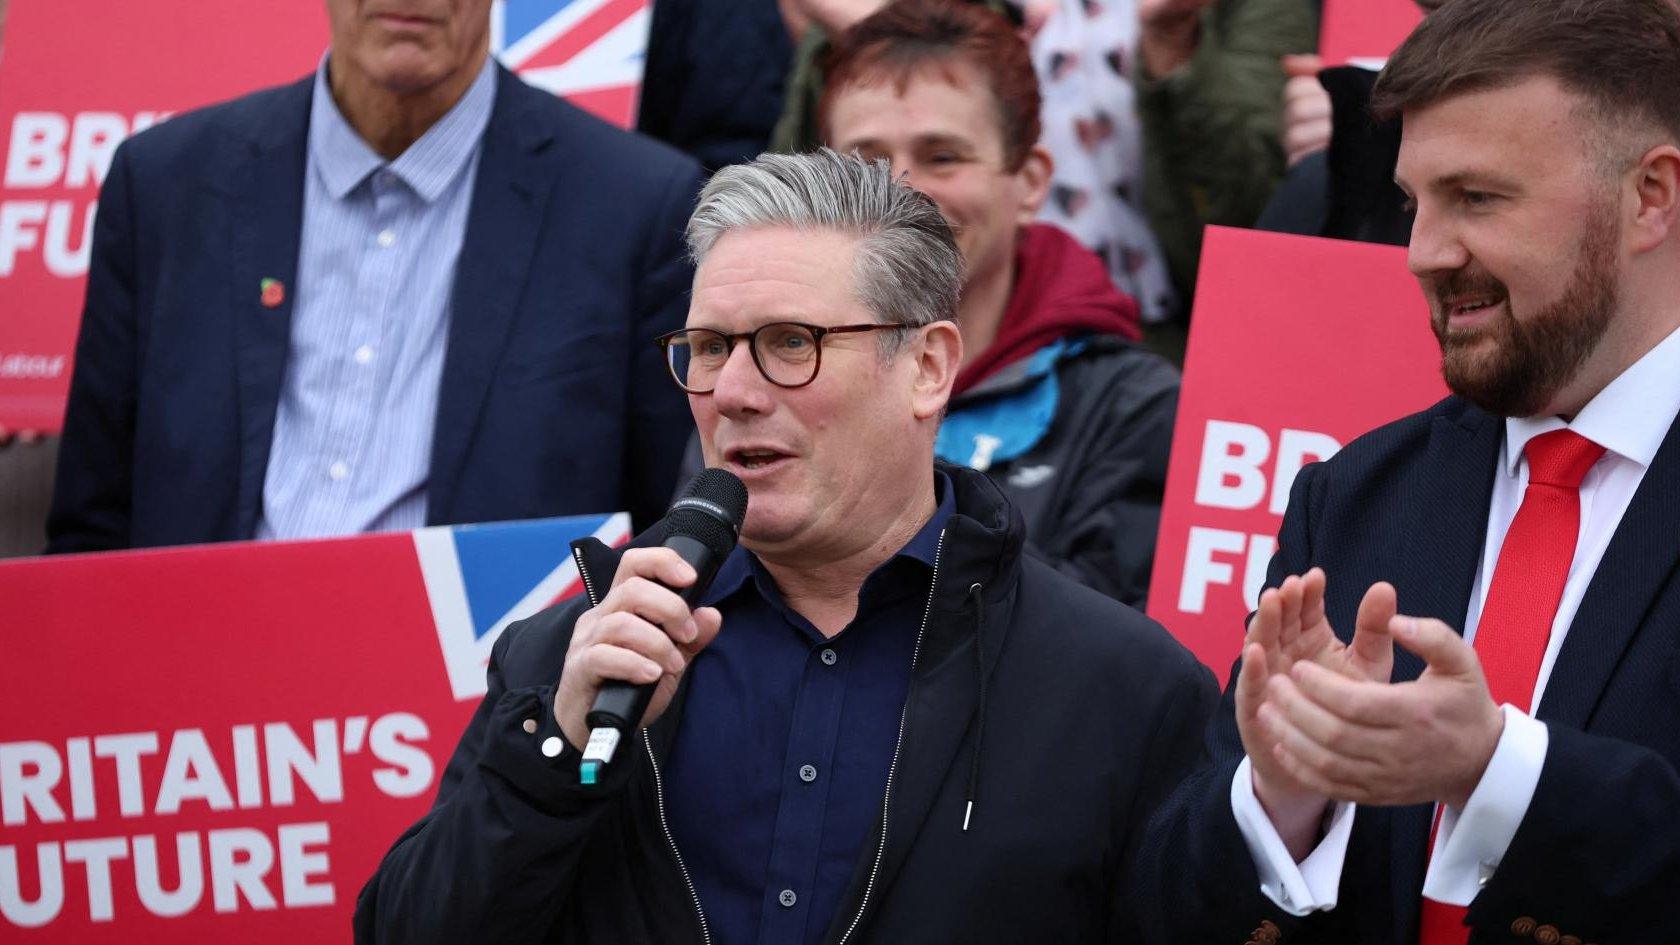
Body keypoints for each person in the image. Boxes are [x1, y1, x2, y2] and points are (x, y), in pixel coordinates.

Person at [353, 149, 1217, 945]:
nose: (731, 391)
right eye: (708, 347)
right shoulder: (572, 653)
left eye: (789, 344)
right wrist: (552, 756)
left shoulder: (1123, 686)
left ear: (926, 367)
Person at [1135, 1, 1680, 943]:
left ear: (1651, 197)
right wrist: (1284, 794)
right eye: (1411, 203)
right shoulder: (1351, 497)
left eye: (1477, 197)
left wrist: (1498, 771)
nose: (1423, 252)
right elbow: (1166, 911)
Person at [44, 0, 704, 552]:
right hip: (196, 674)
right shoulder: (164, 187)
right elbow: (89, 531)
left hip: (491, 690)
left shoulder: (634, 206)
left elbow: (660, 540)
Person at [819, 0, 1181, 607]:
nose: (901, 191)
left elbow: (1115, 659)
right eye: (866, 162)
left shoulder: (1131, 406)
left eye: (943, 157)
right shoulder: (765, 370)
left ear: (1032, 182)